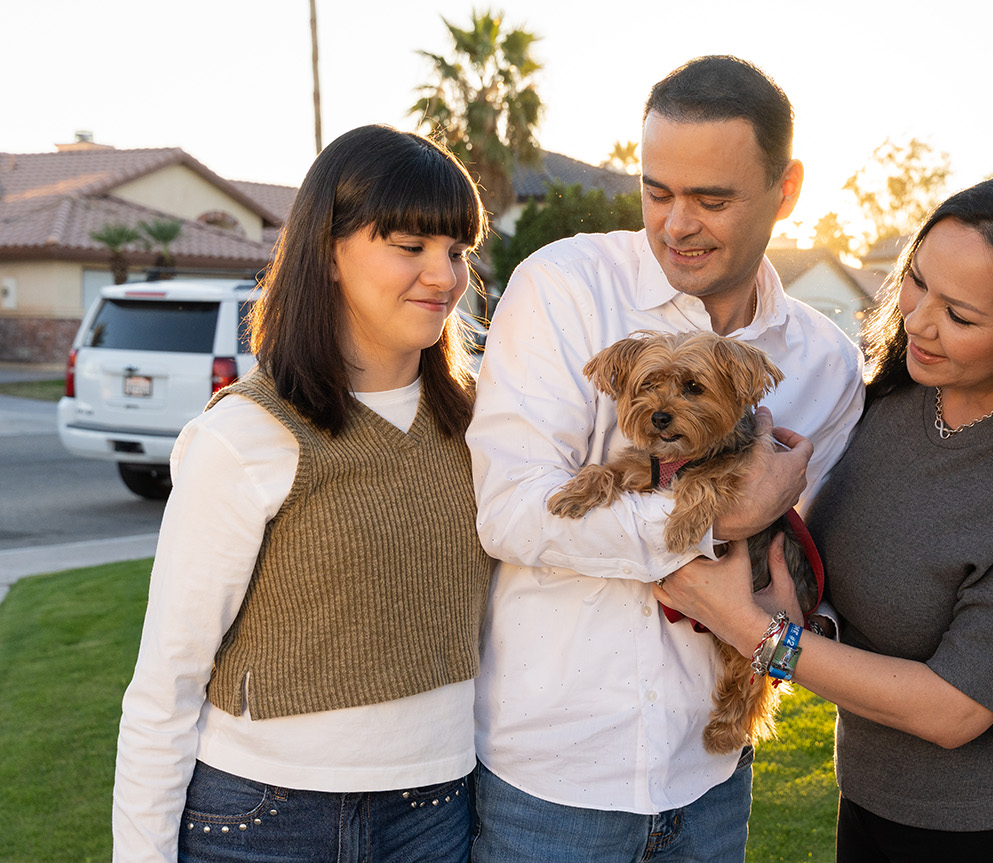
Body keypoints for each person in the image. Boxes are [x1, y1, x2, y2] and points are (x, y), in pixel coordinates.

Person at [656, 174, 993, 862]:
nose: (916, 320)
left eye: (960, 315)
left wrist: (753, 629)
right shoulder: (886, 404)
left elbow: (952, 712)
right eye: (916, 281)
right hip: (871, 804)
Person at [466, 55, 865, 861]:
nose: (676, 224)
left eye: (711, 199)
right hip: (552, 783)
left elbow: (810, 566)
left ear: (785, 191)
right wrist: (725, 515)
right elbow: (510, 510)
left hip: (713, 779)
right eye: (656, 192)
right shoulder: (562, 288)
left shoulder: (825, 362)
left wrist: (787, 622)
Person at [112, 124, 493, 862]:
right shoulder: (247, 434)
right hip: (264, 818)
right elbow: (166, 679)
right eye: (409, 247)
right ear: (326, 252)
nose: (443, 276)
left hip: (437, 811)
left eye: (456, 250)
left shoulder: (484, 422)